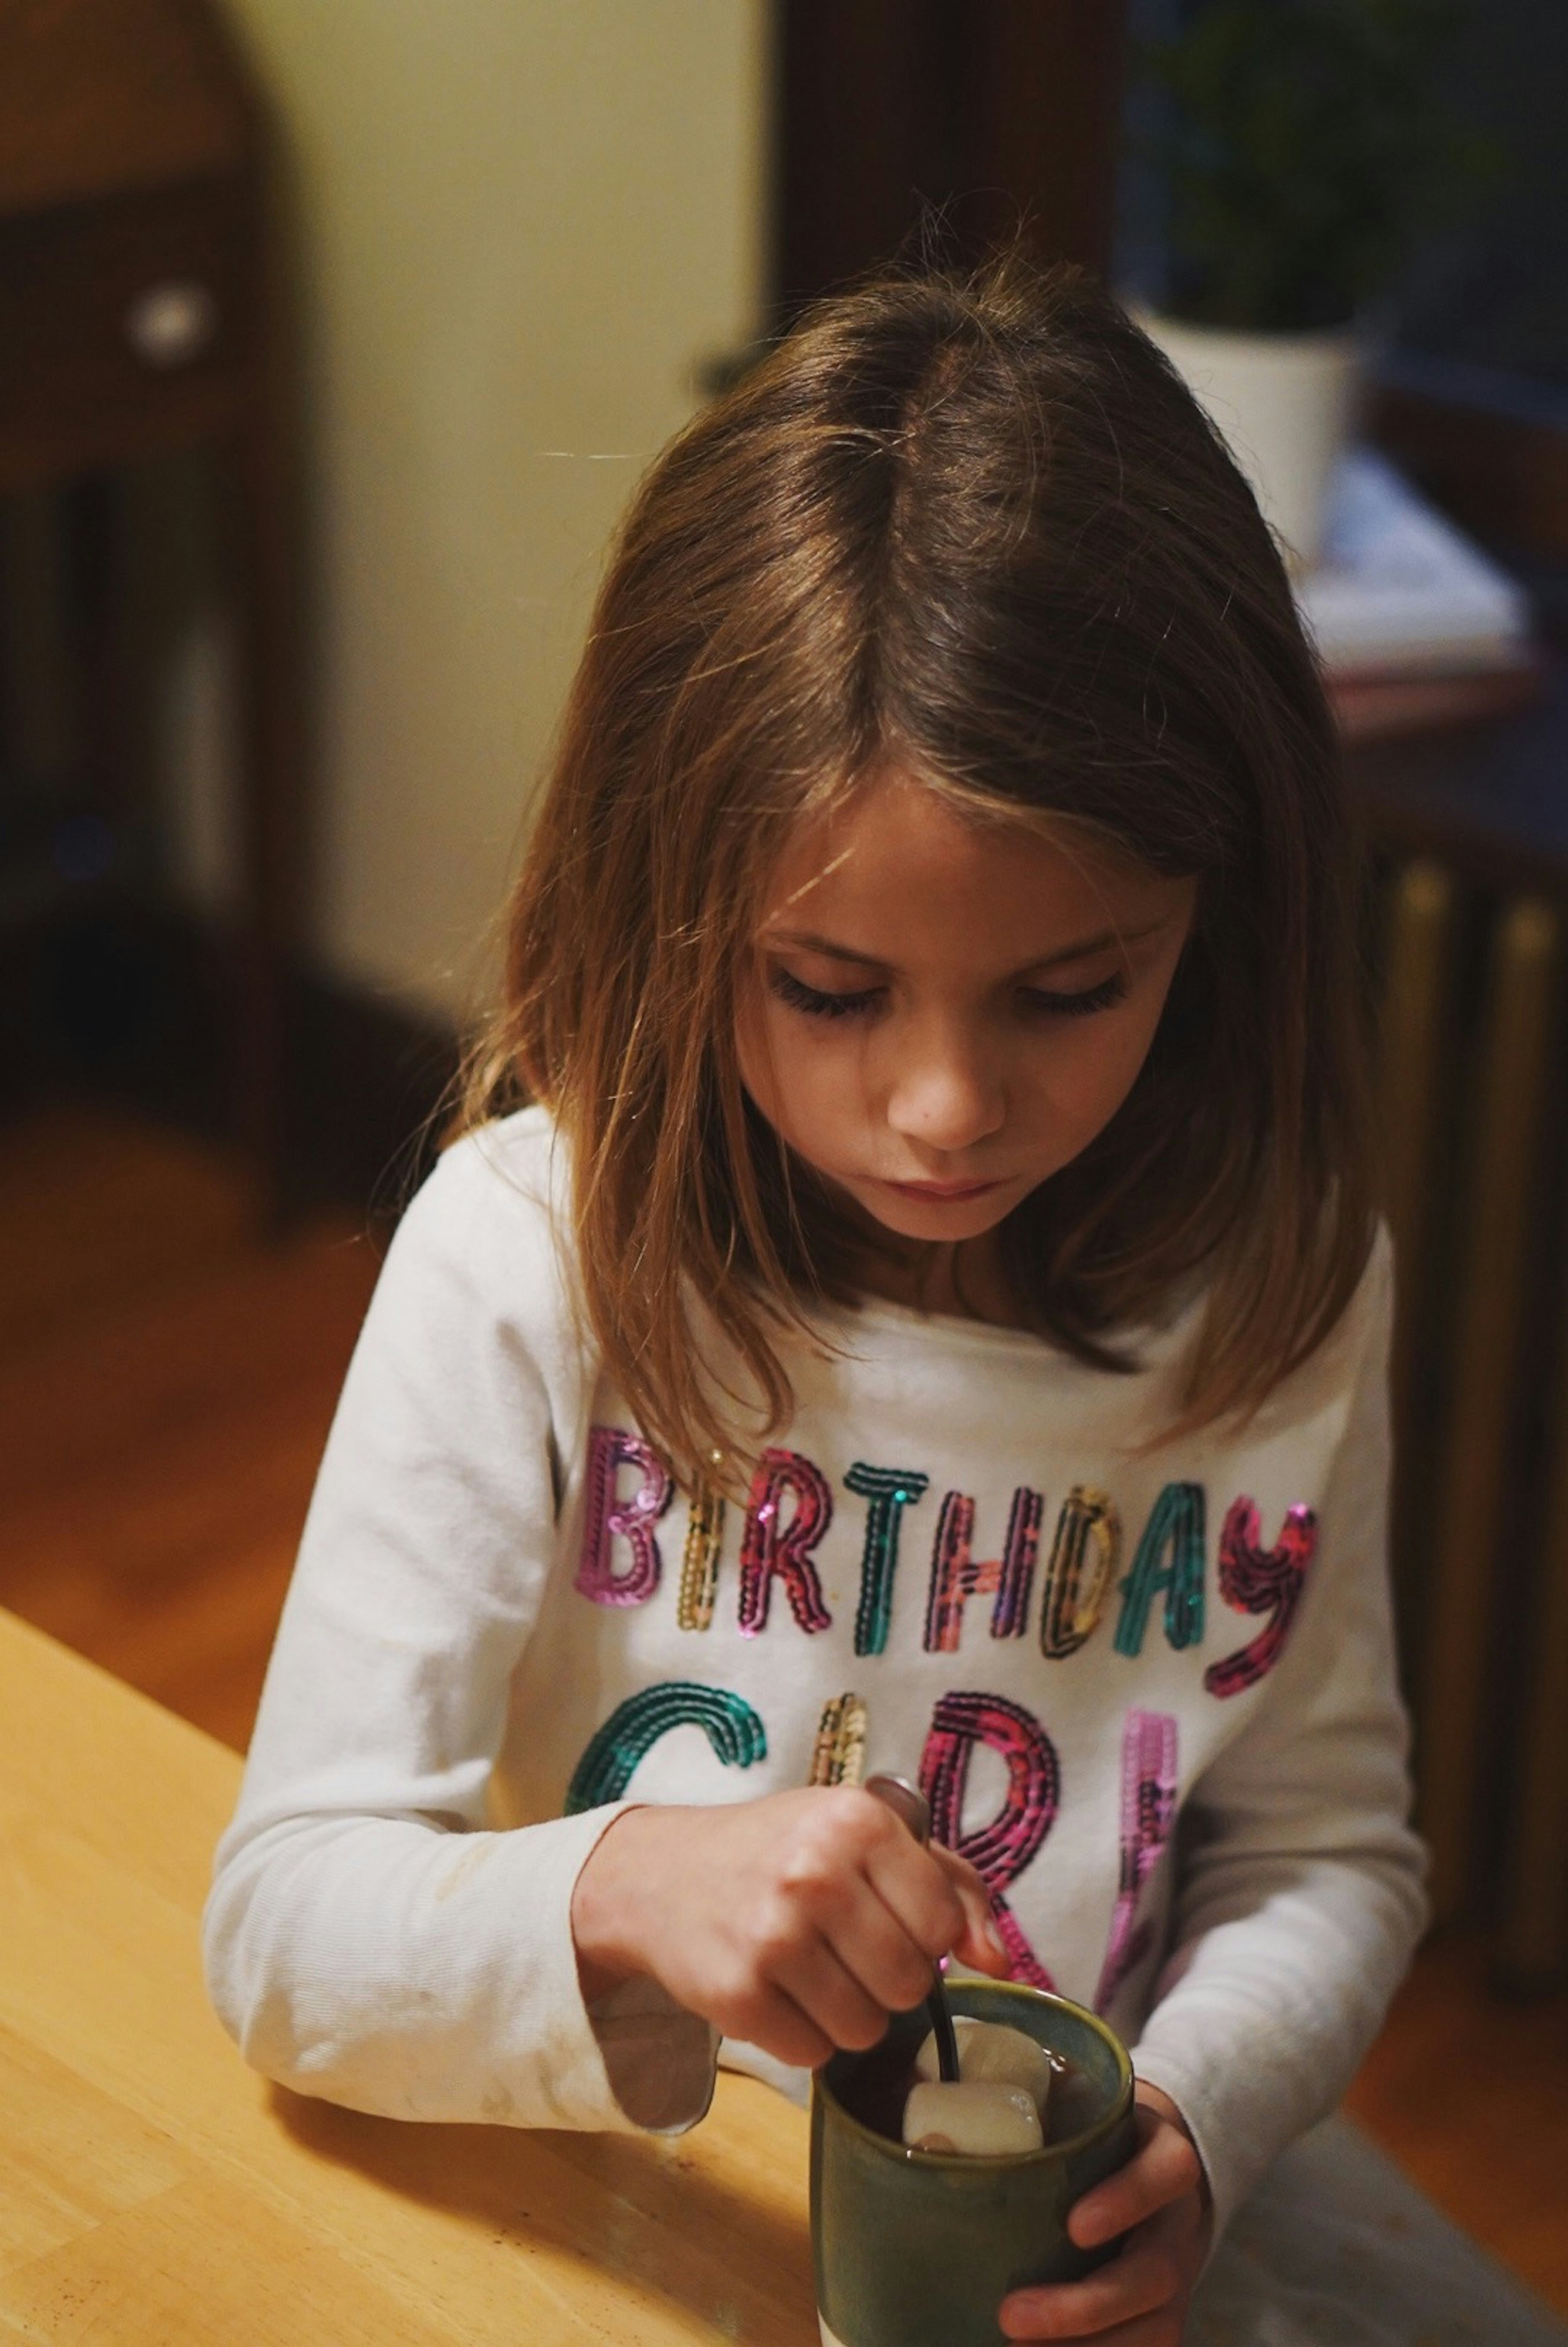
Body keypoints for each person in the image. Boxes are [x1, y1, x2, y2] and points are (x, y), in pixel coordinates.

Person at [204, 257, 1426, 2344]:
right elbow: (285, 1927)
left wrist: (1198, 2118)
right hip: (634, 2240)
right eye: (826, 990)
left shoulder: (1281, 1298)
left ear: (1215, 927)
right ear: (669, 902)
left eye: (1071, 989)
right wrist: (614, 1890)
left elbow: (1329, 1856)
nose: (945, 1109)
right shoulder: (530, 1263)